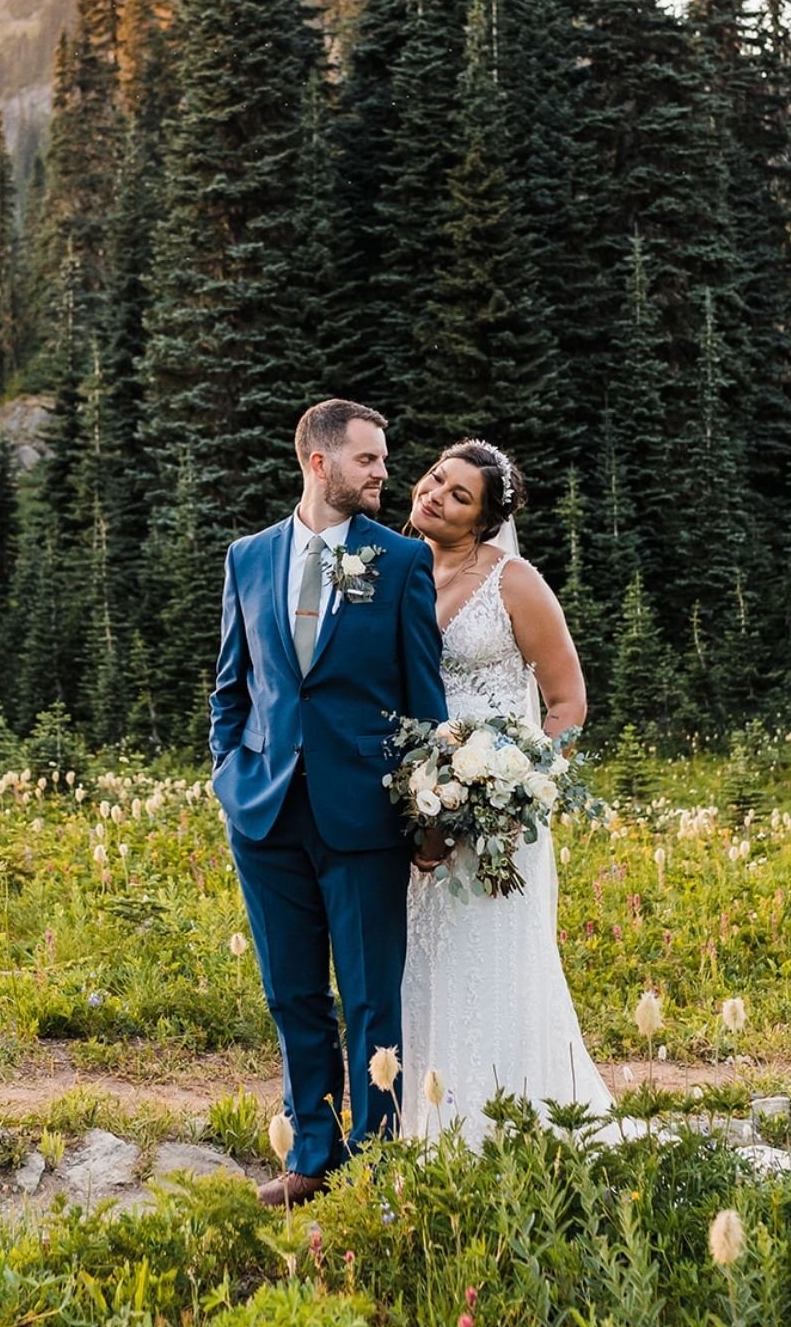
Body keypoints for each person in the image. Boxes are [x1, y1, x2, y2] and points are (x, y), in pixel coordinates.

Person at [210, 398, 447, 1206]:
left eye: (383, 459)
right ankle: (311, 1155)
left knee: (372, 994)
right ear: (319, 464)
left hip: (365, 820)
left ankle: (377, 1162)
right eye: (369, 459)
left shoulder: (401, 562)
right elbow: (230, 689)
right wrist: (229, 776)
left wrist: (426, 818)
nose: (386, 473)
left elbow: (427, 705)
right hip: (267, 814)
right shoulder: (247, 557)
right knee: (291, 991)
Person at [401, 438, 616, 1148]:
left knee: (492, 967)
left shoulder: (513, 582)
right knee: (422, 961)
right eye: (435, 479)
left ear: (485, 521)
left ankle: (504, 1134)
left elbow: (566, 702)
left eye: (459, 495)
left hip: (499, 823)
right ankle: (425, 1131)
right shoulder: (397, 568)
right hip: (420, 811)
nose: (435, 494)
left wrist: (517, 789)